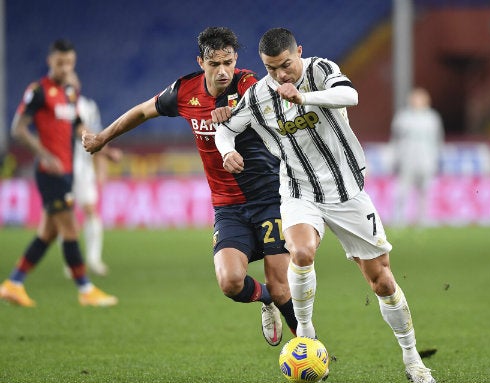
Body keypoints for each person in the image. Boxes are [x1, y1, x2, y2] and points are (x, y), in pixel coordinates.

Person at [213, 28, 436, 383]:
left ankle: (413, 360)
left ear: (298, 52)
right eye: (271, 69)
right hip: (300, 192)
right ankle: (305, 334)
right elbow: (226, 129)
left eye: (285, 65)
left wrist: (304, 98)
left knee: (382, 282)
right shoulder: (258, 96)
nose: (280, 75)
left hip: (348, 192)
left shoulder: (319, 70)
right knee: (300, 252)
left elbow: (350, 95)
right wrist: (227, 150)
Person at [81, 27, 297, 346]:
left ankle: (309, 342)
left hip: (269, 198)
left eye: (228, 62)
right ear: (201, 62)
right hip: (228, 207)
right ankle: (266, 300)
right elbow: (142, 111)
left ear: (235, 59)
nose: (222, 71)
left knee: (283, 286)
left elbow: (281, 111)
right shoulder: (185, 91)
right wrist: (102, 138)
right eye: (214, 64)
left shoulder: (250, 85)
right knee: (230, 282)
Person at [0, 39, 118, 307]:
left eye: (70, 63)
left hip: (66, 171)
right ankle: (86, 289)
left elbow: (78, 127)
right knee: (69, 228)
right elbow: (18, 128)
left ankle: (13, 283)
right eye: (60, 62)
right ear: (50, 61)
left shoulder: (70, 93)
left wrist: (105, 149)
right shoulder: (38, 92)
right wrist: (44, 154)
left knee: (47, 233)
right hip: (49, 172)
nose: (65, 67)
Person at [69, 71, 122, 276]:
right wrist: (109, 155)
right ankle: (72, 261)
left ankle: (93, 259)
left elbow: (97, 138)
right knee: (66, 216)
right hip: (63, 167)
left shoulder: (87, 106)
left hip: (82, 168)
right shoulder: (58, 105)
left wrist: (101, 167)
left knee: (90, 209)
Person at [390, 88, 444, 227]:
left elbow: (438, 140)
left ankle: (423, 219)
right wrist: (395, 157)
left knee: (425, 190)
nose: (417, 101)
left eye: (420, 98)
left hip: (427, 159)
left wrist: (437, 158)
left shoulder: (432, 118)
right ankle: (398, 219)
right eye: (415, 98)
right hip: (407, 158)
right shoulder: (403, 117)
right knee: (402, 190)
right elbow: (395, 139)